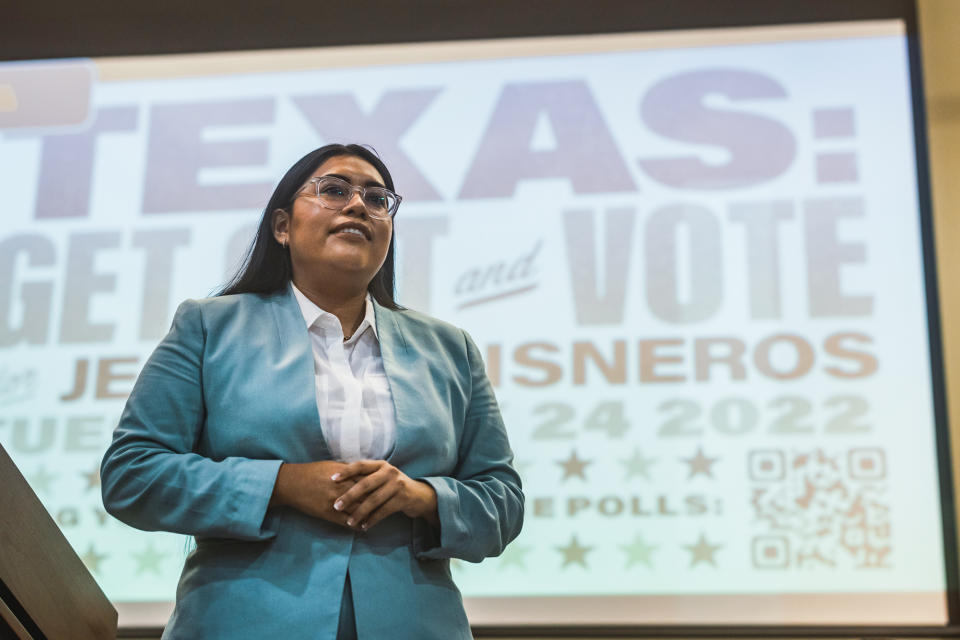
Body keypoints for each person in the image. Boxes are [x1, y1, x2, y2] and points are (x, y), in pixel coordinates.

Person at [100, 143, 524, 640]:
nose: (357, 205)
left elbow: (503, 501)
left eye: (376, 198)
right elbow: (132, 474)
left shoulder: (450, 349)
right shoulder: (209, 326)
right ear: (282, 226)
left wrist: (421, 496)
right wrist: (282, 485)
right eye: (335, 190)